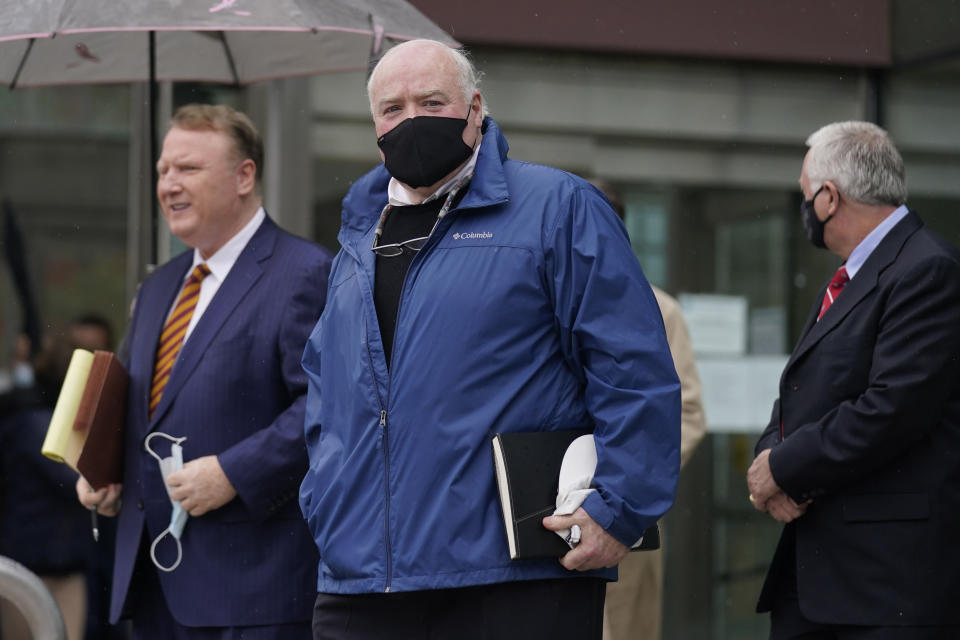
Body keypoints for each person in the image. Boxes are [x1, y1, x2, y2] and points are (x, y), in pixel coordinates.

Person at [299, 39, 681, 640]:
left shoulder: (559, 208)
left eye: (432, 102)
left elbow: (631, 368)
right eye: (392, 109)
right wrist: (325, 504)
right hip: (363, 580)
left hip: (512, 577)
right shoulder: (357, 240)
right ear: (373, 125)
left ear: (475, 109)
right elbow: (325, 391)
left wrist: (619, 508)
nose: (412, 121)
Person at [76, 104, 332, 639]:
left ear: (244, 176)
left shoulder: (304, 273)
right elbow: (137, 403)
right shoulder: (157, 288)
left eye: (188, 169)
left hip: (251, 588)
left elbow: (329, 406)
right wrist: (102, 468)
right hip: (152, 580)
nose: (168, 183)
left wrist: (233, 472)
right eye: (162, 170)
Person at [747, 121, 960, 638]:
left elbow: (892, 408)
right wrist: (771, 461)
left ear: (828, 197)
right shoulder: (857, 272)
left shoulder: (927, 269)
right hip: (821, 575)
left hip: (884, 586)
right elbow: (805, 387)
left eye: (804, 194)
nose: (805, 207)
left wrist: (785, 466)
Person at [587, 179, 707, 640]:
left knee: (625, 627)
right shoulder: (538, 301)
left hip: (627, 512)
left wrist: (623, 485)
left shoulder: (660, 310)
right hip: (549, 512)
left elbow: (687, 414)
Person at [0, 316, 113, 640]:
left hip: (61, 562)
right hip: (33, 565)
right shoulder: (37, 423)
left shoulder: (29, 417)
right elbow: (73, 474)